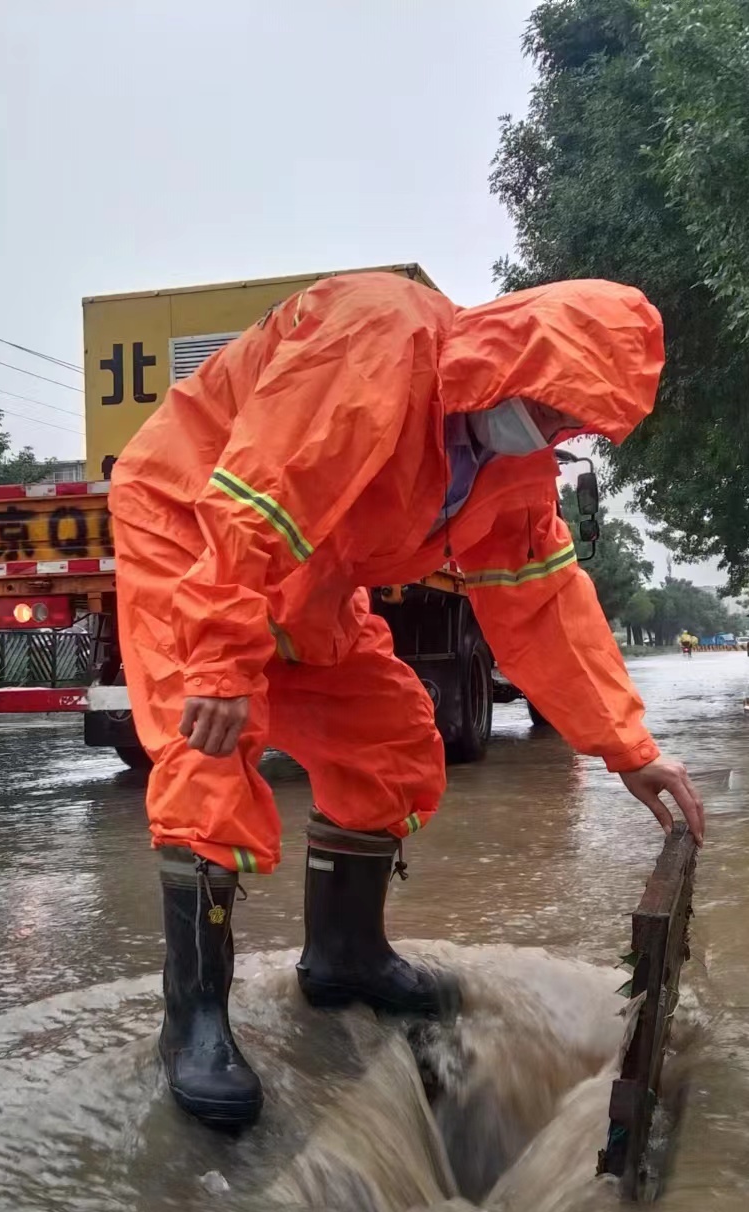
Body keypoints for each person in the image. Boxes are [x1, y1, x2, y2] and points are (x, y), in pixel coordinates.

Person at [108, 272, 706, 1129]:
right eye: (549, 405)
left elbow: (543, 604)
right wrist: (221, 662)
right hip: (194, 522)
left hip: (310, 559)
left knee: (386, 733)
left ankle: (345, 955)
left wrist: (630, 750)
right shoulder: (377, 338)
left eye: (572, 423)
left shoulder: (511, 473)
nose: (552, 430)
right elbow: (255, 498)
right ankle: (194, 1017)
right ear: (514, 355)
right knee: (210, 749)